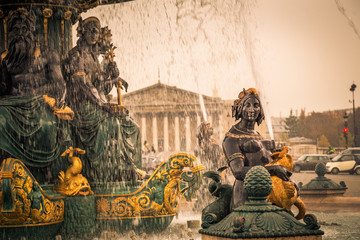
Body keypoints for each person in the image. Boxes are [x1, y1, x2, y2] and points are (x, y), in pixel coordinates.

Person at [63, 17, 141, 182]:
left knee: (131, 124)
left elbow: (100, 87)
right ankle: (104, 173)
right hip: (81, 107)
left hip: (96, 104)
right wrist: (102, 104)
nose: (94, 34)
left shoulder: (93, 58)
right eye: (90, 30)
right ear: (82, 31)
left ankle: (131, 167)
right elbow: (83, 85)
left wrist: (113, 78)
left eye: (96, 31)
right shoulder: (76, 54)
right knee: (112, 123)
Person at [0, 9, 71, 183]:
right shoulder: (5, 59)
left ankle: (45, 170)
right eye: (15, 30)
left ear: (32, 31)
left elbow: (59, 84)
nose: (20, 34)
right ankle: (5, 169)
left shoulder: (48, 54)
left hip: (39, 103)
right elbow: (4, 87)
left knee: (45, 124)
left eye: (24, 29)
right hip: (12, 105)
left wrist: (39, 95)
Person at [222, 88, 291, 210]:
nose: (252, 109)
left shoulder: (258, 135)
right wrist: (274, 169)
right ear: (239, 108)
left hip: (266, 195)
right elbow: (238, 172)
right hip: (245, 198)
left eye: (256, 105)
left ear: (261, 110)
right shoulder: (231, 138)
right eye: (247, 105)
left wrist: (277, 156)